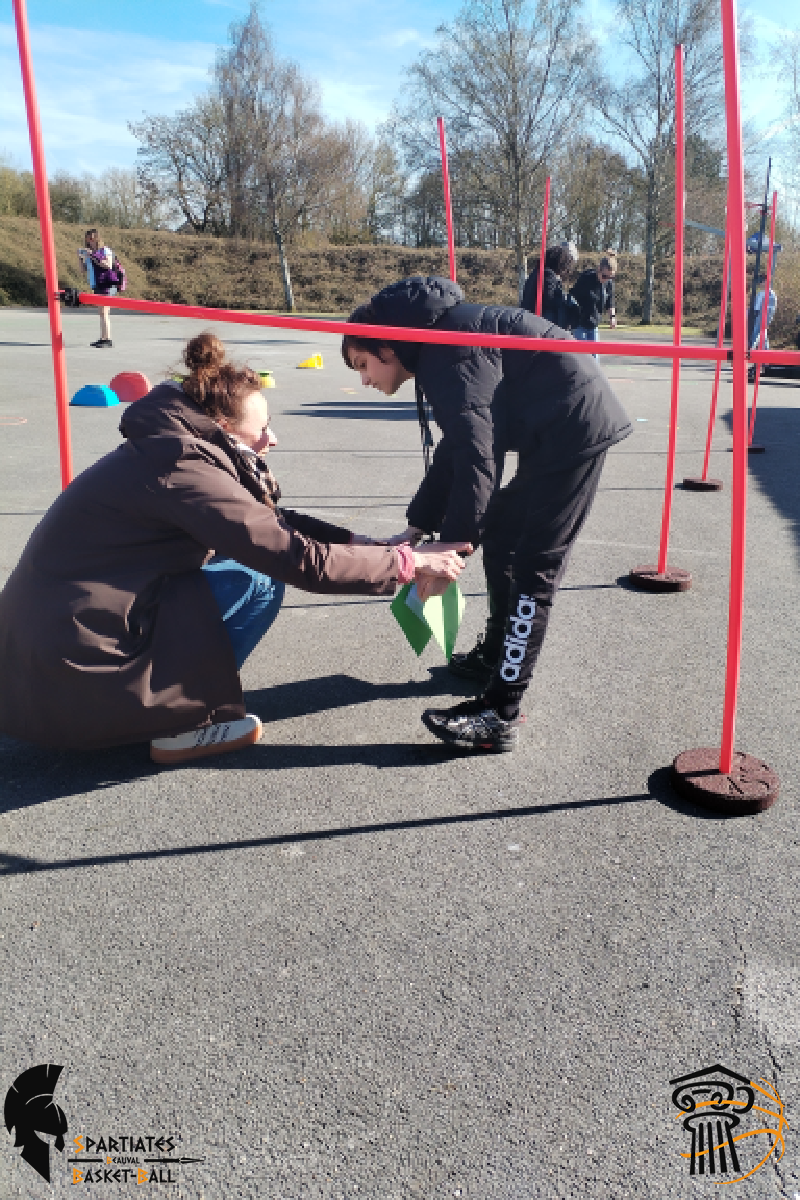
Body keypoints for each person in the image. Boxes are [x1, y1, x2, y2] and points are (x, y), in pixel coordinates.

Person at [0, 333, 470, 765]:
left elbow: (265, 521)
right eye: (262, 428)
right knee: (258, 577)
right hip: (78, 670)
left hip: (52, 659)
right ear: (223, 426)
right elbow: (294, 557)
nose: (272, 439)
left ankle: (170, 695)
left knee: (241, 561)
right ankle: (181, 719)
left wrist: (361, 543)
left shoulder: (172, 447)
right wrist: (408, 562)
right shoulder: (182, 467)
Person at [342, 276, 632, 753]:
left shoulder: (447, 354)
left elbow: (480, 459)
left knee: (535, 568)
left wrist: (452, 550)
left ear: (386, 348)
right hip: (551, 429)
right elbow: (458, 448)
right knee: (499, 533)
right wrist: (419, 527)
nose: (364, 379)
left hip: (574, 430)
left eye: (363, 364)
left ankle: (500, 712)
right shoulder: (437, 347)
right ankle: (496, 654)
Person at [521, 245, 581, 328]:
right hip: (540, 321)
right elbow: (548, 299)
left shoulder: (535, 273)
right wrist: (564, 300)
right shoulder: (549, 275)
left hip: (528, 317)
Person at [569, 252, 618, 355]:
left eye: (611, 277)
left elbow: (610, 301)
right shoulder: (585, 278)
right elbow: (572, 296)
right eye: (604, 276)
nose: (606, 279)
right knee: (582, 356)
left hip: (594, 324)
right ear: (598, 269)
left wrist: (612, 317)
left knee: (594, 357)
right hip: (579, 324)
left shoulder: (608, 283)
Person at [77, 228, 117, 348]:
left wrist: (93, 255)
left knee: (104, 311)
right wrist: (80, 258)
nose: (90, 241)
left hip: (107, 284)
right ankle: (103, 337)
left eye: (92, 238)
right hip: (97, 285)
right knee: (101, 312)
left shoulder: (105, 250)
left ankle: (107, 339)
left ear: (98, 239)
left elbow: (108, 265)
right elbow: (82, 270)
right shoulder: (90, 253)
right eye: (88, 239)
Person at [748, 275, 777, 382]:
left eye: (761, 281)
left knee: (756, 336)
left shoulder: (769, 294)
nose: (760, 284)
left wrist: (766, 321)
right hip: (758, 316)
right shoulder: (762, 293)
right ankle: (765, 360)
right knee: (762, 338)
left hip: (762, 317)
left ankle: (752, 354)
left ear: (766, 281)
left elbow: (769, 310)